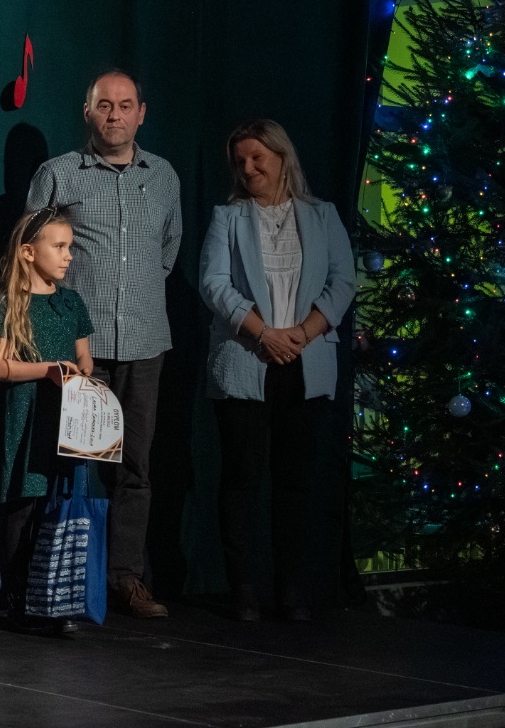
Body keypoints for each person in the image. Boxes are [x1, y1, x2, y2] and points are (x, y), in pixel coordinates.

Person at [25, 69, 181, 619]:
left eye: (125, 105)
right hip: (78, 348)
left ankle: (125, 579)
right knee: (73, 467)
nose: (115, 114)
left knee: (134, 468)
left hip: (144, 341)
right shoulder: (57, 174)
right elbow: (29, 256)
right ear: (87, 112)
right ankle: (72, 583)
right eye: (105, 105)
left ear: (141, 113)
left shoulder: (163, 177)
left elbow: (168, 252)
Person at [198, 119, 355, 622]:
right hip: (247, 360)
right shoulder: (228, 217)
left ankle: (290, 588)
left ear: (282, 157)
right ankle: (243, 588)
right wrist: (264, 333)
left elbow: (343, 282)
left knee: (296, 482)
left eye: (257, 158)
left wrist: (302, 334)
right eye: (240, 161)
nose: (248, 169)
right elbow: (213, 283)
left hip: (306, 364)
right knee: (241, 479)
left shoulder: (322, 215)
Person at [0, 208, 95, 633]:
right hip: (26, 417)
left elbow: (84, 355)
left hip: (66, 419)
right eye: (59, 246)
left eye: (70, 247)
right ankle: (16, 600)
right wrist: (48, 370)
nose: (68, 255)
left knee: (58, 504)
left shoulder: (71, 302)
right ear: (29, 252)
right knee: (23, 506)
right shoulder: (8, 301)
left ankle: (53, 600)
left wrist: (81, 373)